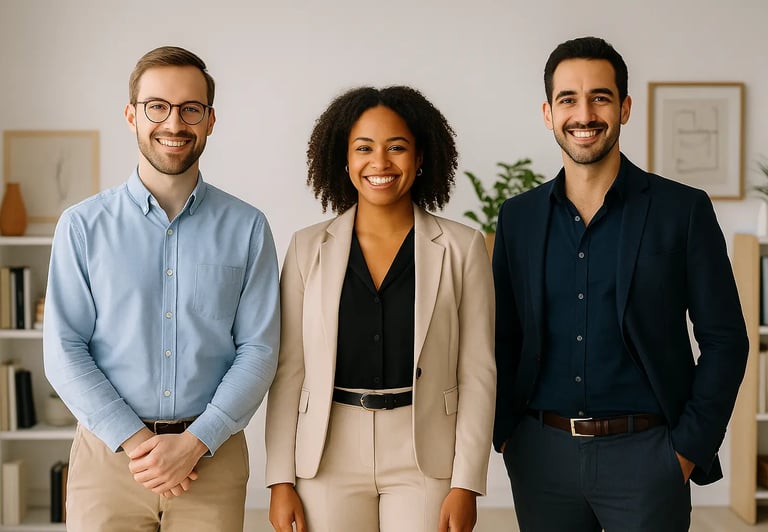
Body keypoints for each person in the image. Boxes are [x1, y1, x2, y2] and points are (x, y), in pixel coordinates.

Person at [492, 36, 748, 531]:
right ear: (548, 113)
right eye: (568, 99)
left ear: (625, 107)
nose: (583, 113)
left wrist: (688, 449)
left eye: (600, 97)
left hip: (649, 458)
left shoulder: (682, 210)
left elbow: (725, 340)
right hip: (541, 456)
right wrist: (507, 434)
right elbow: (502, 336)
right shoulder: (518, 218)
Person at [43, 46, 280, 531]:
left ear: (210, 120)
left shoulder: (248, 227)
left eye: (191, 109)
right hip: (109, 460)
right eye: (158, 107)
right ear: (132, 115)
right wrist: (135, 442)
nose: (174, 123)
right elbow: (63, 349)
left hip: (211, 460)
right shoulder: (81, 226)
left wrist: (196, 441)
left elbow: (259, 348)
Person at [265, 86, 496, 532]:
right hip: (327, 452)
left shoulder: (463, 247)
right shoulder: (306, 247)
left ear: (421, 156)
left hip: (425, 452)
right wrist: (280, 480)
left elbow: (479, 373)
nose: (380, 163)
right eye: (364, 148)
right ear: (345, 159)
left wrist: (467, 483)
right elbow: (288, 371)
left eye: (397, 147)